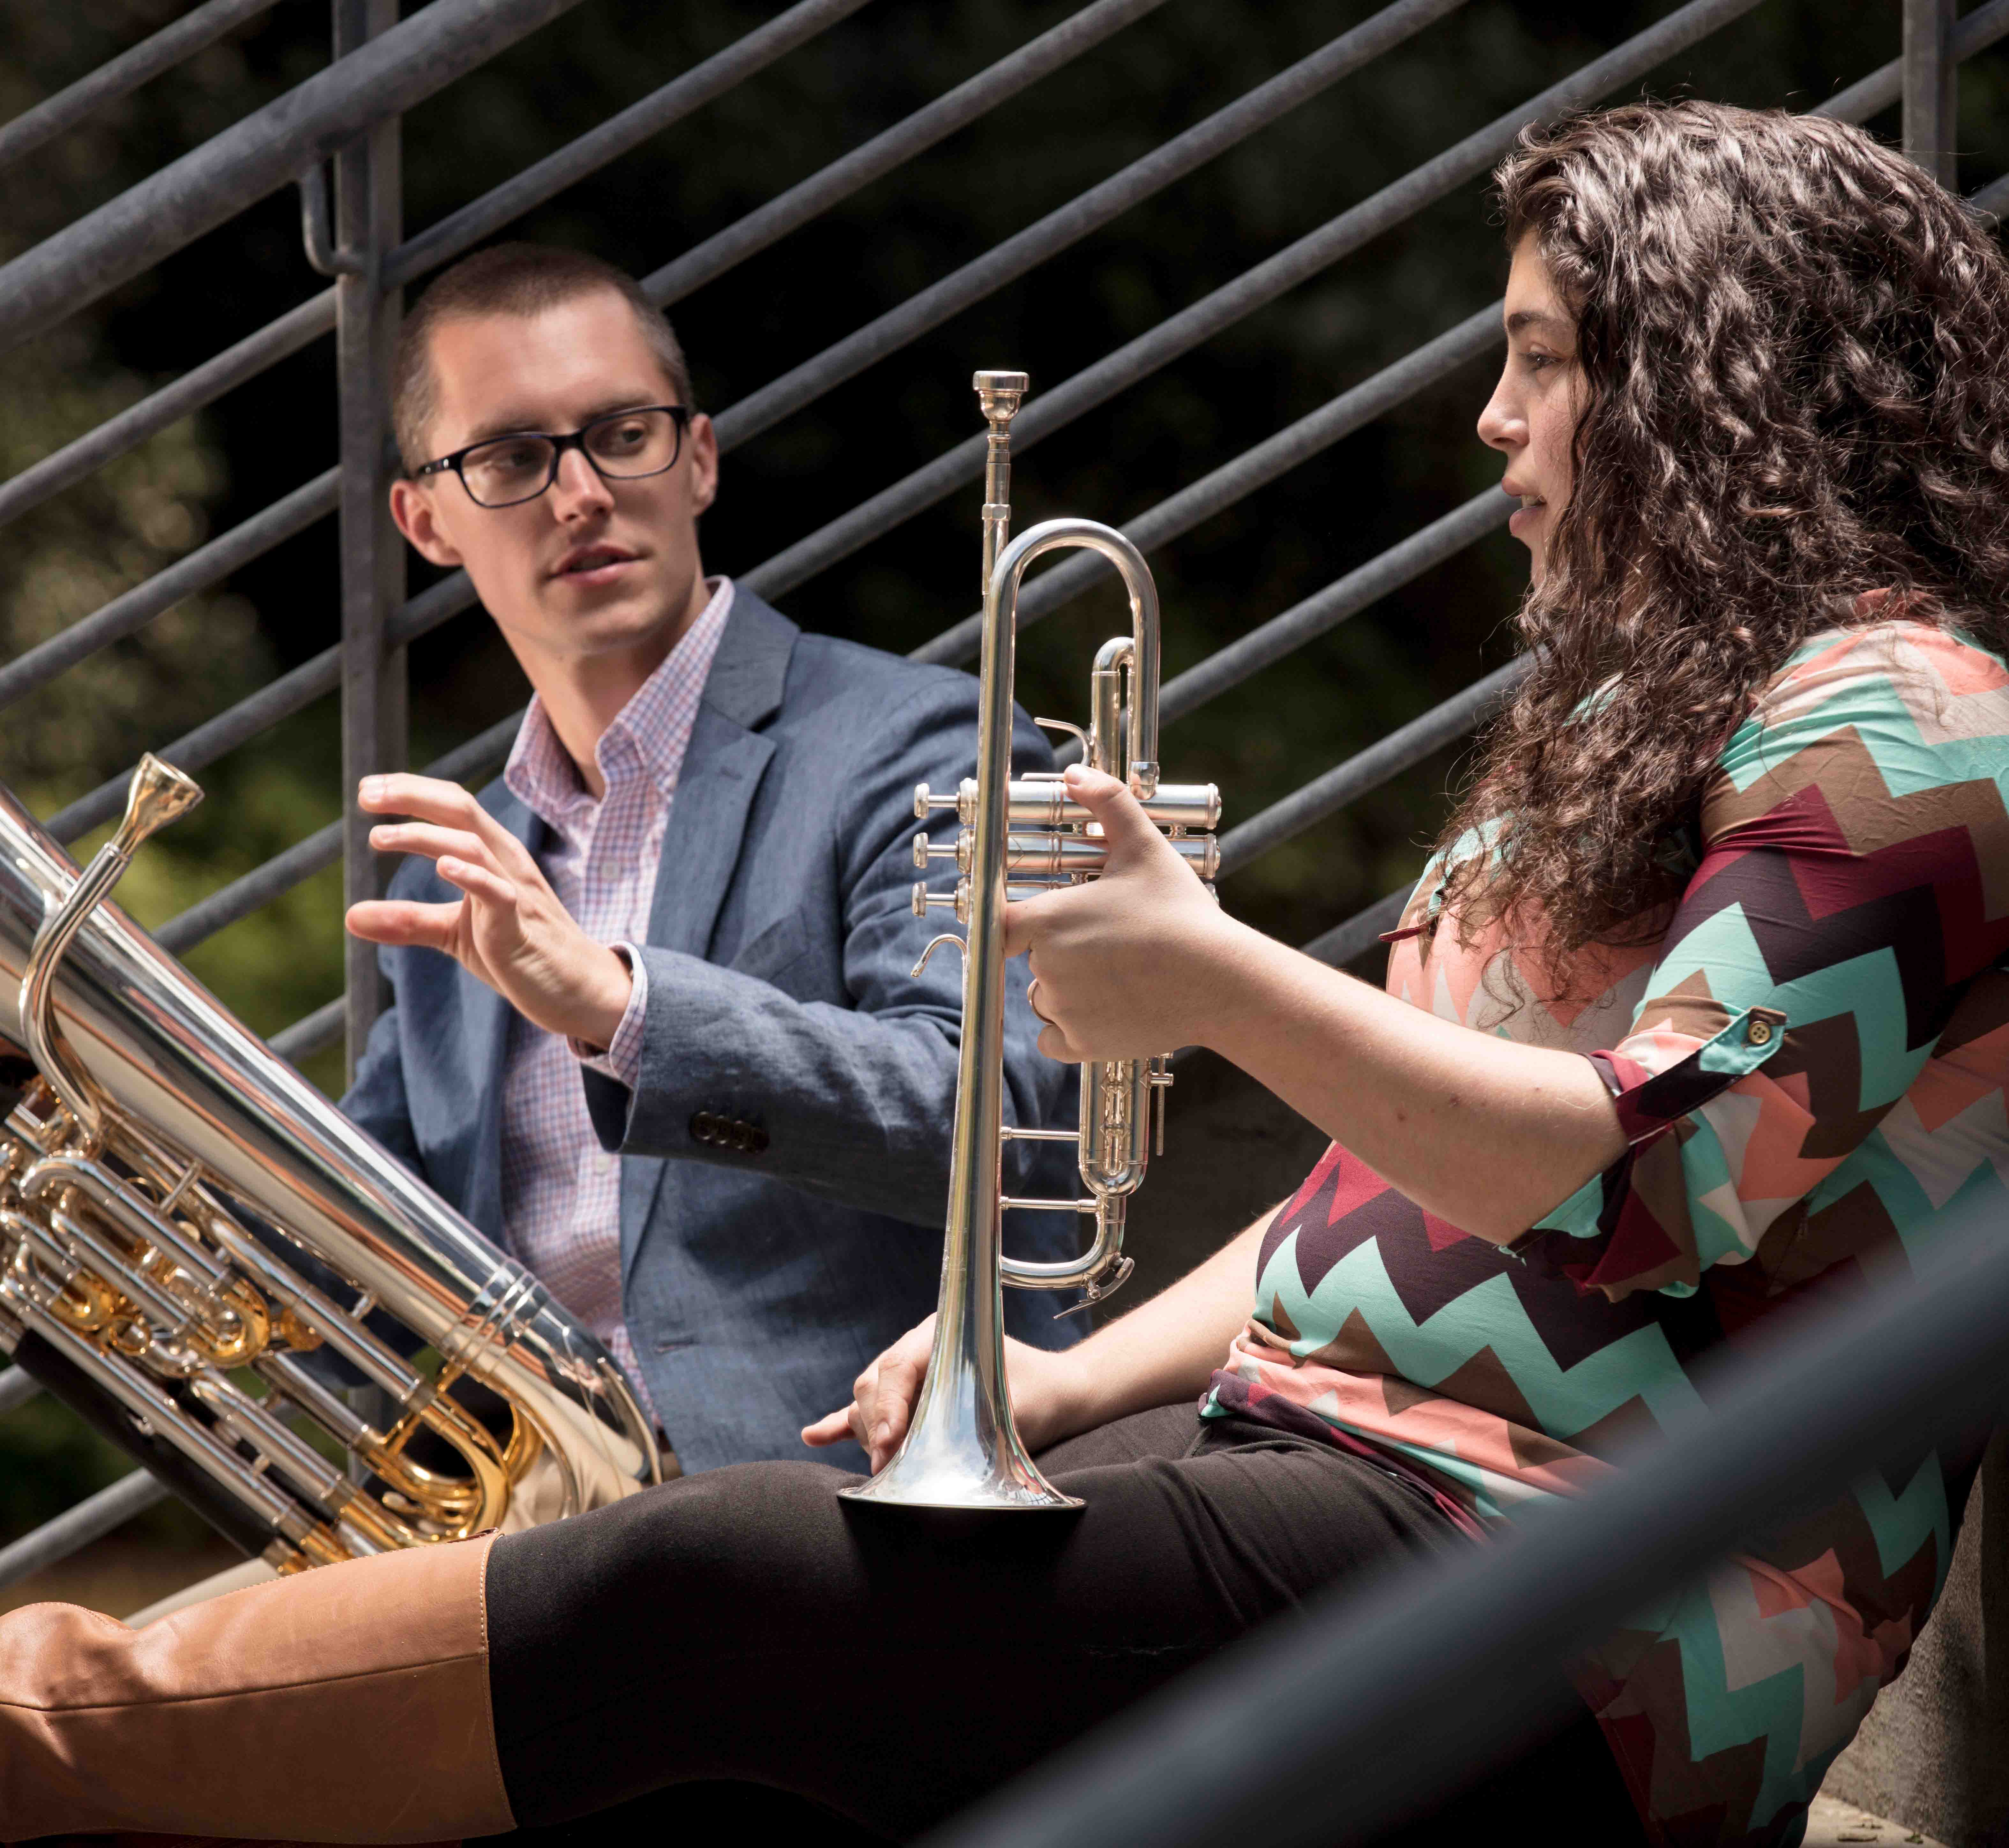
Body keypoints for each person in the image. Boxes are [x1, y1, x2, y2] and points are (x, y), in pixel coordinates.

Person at [7, 100, 2009, 1848]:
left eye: (1543, 358)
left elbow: (1652, 1186)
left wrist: (1208, 976)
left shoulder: (1911, 724)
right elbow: (1370, 1180)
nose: (1488, 416)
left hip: (1596, 1601)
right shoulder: (1635, 721)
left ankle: (39, 1724)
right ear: (426, 518)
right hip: (1337, 1463)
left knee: (721, 1588)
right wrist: (1058, 1373)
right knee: (736, 1729)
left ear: (1713, 379)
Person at [332, 243, 1080, 1477]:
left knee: (115, 1679)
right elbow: (339, 1255)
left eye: (622, 433)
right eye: (513, 459)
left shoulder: (917, 742)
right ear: (426, 522)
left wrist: (623, 1007)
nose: (579, 494)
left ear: (698, 458)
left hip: (835, 1488)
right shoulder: (449, 875)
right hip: (529, 1506)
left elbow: (997, 1124)